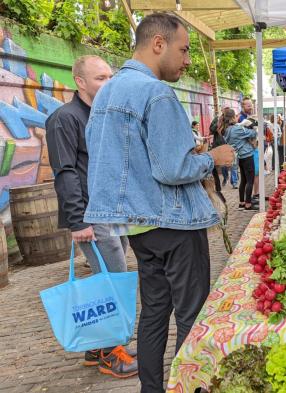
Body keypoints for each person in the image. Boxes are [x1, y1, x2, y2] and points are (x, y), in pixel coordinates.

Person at [84, 14, 234, 393]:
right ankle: (190, 387)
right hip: (173, 223)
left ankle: (152, 388)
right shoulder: (156, 93)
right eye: (183, 50)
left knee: (153, 313)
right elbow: (173, 168)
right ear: (158, 44)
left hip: (139, 227)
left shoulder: (106, 94)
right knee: (190, 314)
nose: (187, 60)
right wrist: (212, 158)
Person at [45, 55, 138, 379]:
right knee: (112, 281)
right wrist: (77, 221)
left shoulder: (101, 116)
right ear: (80, 82)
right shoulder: (64, 118)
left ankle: (97, 346)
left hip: (113, 211)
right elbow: (65, 172)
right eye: (100, 78)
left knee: (107, 279)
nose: (108, 83)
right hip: (90, 215)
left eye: (110, 76)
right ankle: (111, 354)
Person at [226, 117, 258, 210]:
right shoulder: (238, 129)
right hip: (247, 155)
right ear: (232, 118)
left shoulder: (228, 130)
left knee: (243, 180)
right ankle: (248, 204)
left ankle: (242, 202)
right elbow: (253, 133)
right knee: (250, 180)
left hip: (239, 156)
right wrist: (252, 127)